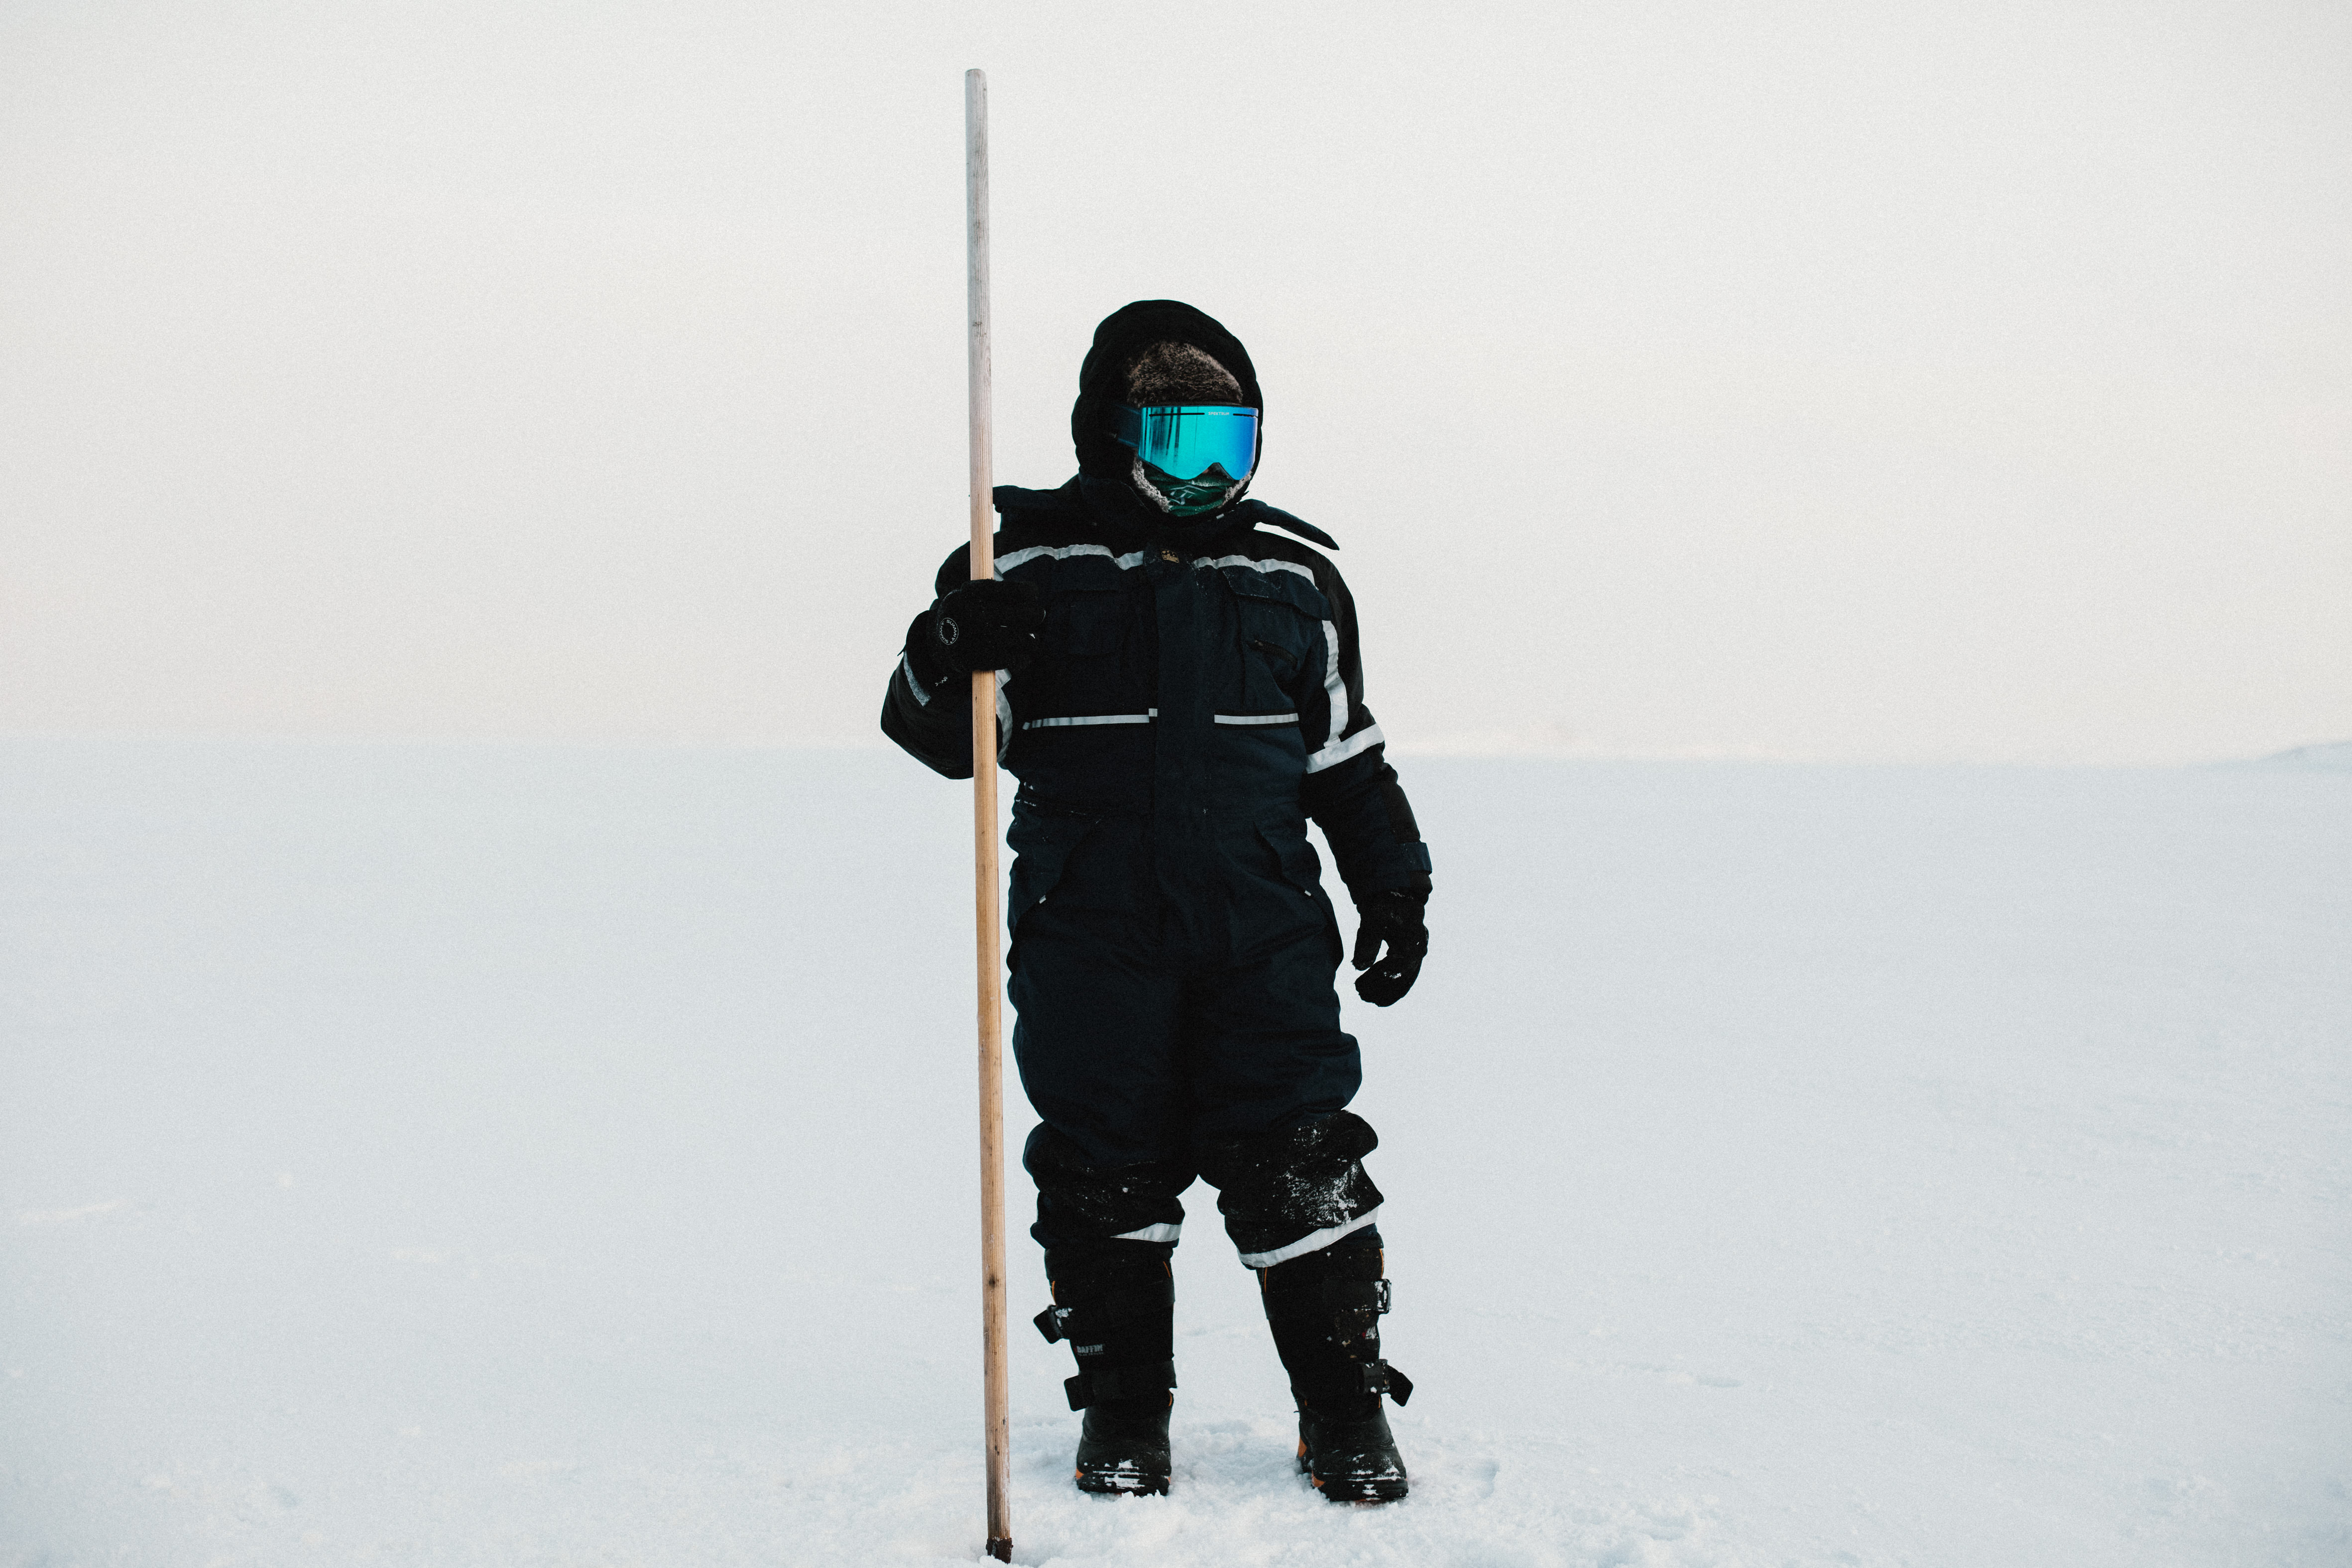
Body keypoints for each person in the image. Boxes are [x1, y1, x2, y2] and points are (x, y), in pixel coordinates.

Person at [881, 300, 1432, 1503]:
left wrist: (1392, 879)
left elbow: (1344, 755)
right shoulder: (1018, 572)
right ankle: (1123, 1418)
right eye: (1181, 444)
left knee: (1298, 1153)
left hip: (1262, 927)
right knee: (1104, 1165)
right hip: (1091, 930)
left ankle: (1342, 1411)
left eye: (1230, 448)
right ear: (1113, 433)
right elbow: (940, 742)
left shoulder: (1293, 582)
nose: (1207, 477)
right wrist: (951, 644)